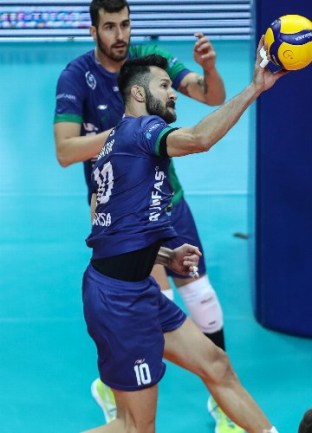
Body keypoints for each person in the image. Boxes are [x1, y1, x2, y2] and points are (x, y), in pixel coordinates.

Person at [81, 46, 285, 433]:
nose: (173, 92)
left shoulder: (113, 144)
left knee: (216, 365)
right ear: (138, 93)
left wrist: (163, 257)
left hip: (133, 288)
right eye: (164, 85)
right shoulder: (141, 130)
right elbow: (199, 138)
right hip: (120, 303)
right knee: (134, 428)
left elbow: (108, 229)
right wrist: (255, 88)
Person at [53, 1, 236, 430]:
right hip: (120, 215)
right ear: (93, 30)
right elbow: (65, 150)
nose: (120, 35)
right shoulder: (76, 76)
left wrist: (209, 69)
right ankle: (121, 392)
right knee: (156, 305)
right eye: (110, 27)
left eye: (125, 24)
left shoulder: (149, 62)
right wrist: (128, 135)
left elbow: (212, 96)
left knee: (204, 302)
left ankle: (223, 409)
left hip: (169, 201)